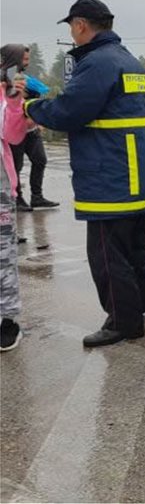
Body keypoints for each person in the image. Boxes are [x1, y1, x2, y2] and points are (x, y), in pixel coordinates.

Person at [24, 0, 145, 347]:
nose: (72, 35)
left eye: (71, 27)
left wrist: (31, 106)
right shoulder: (129, 61)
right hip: (136, 174)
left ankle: (123, 321)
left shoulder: (97, 63)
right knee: (133, 248)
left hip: (111, 176)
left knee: (106, 254)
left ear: (81, 25)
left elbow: (70, 111)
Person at [1, 44, 59, 211]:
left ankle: (37, 196)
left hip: (29, 129)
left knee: (40, 160)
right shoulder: (7, 79)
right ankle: (17, 198)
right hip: (14, 132)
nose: (27, 62)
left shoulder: (21, 78)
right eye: (24, 59)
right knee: (14, 167)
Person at [0, 66, 28, 351]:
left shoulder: (5, 95)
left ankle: (7, 321)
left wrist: (15, 101)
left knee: (3, 257)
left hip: (0, 187)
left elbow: (13, 135)